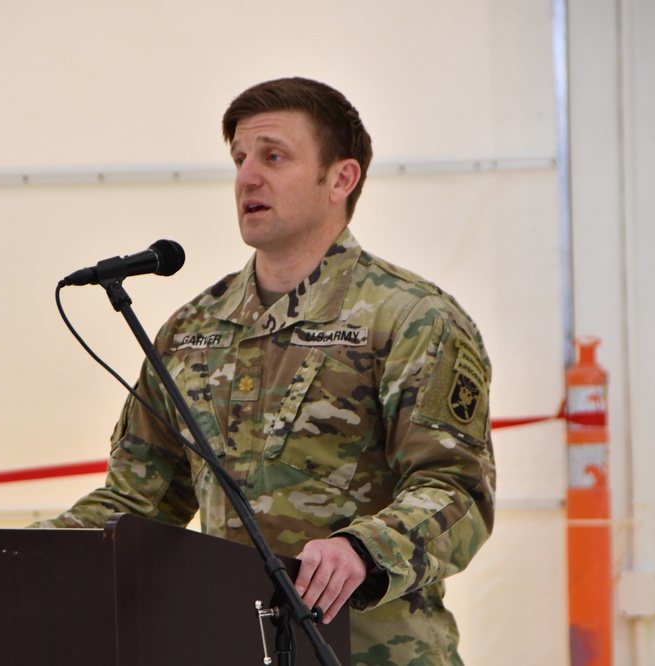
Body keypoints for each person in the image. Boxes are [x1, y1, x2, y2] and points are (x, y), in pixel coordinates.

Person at [30, 77, 496, 666]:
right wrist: (23, 556)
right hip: (231, 649)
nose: (247, 177)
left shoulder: (410, 318)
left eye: (273, 156)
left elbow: (457, 491)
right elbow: (139, 501)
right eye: (240, 159)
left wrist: (363, 548)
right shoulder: (192, 330)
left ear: (341, 178)